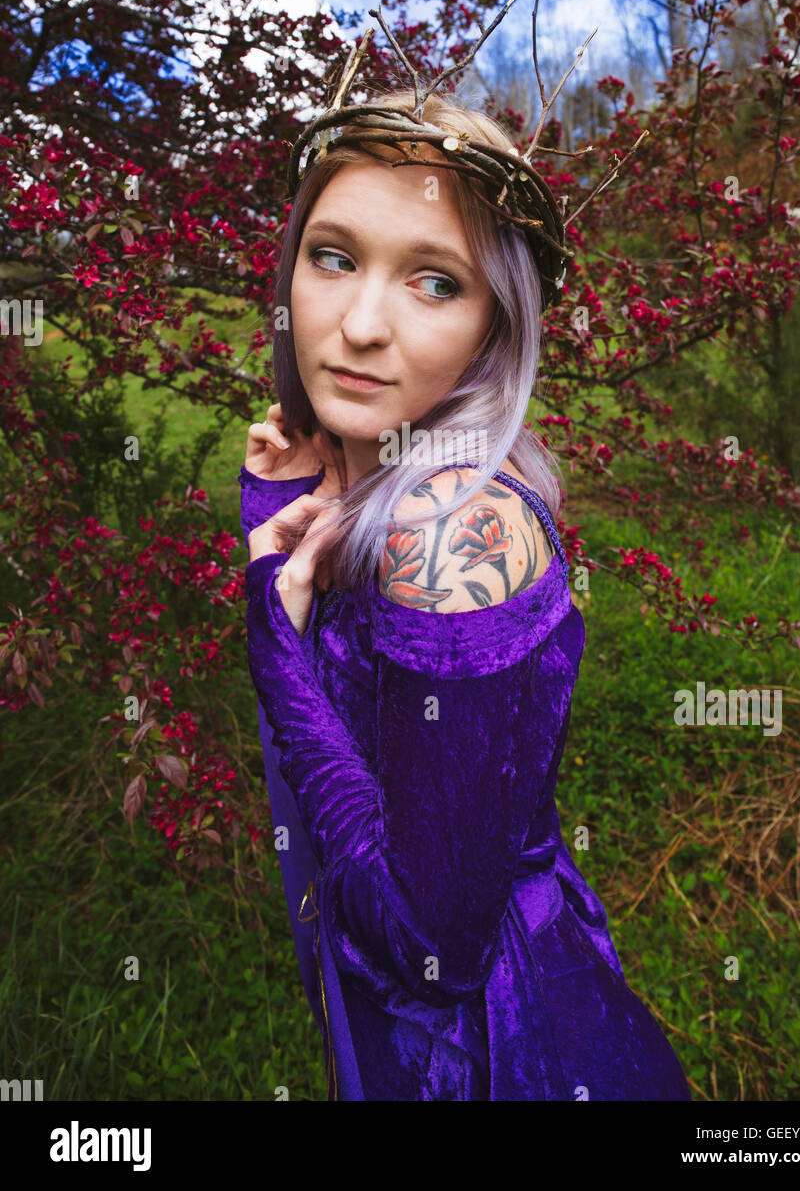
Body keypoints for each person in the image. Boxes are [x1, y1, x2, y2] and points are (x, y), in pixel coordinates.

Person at [239, 83, 691, 1101]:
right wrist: (274, 494)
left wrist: (271, 622)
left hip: (493, 1048)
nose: (357, 324)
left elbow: (420, 934)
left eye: (434, 282)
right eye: (335, 256)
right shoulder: (362, 463)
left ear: (494, 329)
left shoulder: (448, 527)